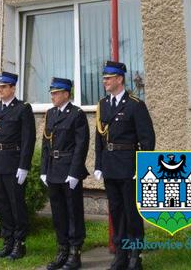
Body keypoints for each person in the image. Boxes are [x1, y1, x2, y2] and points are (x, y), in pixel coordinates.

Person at [94, 61, 155, 270]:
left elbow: (147, 139)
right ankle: (121, 254)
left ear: (119, 79)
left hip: (129, 166)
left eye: (108, 78)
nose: (105, 82)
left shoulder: (135, 105)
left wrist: (143, 167)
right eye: (104, 78)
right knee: (116, 210)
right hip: (110, 165)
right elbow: (99, 138)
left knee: (131, 212)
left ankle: (135, 255)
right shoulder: (103, 105)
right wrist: (98, 164)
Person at [41, 77, 90, 270]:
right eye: (51, 93)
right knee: (58, 212)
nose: (52, 96)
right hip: (53, 170)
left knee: (73, 212)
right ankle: (62, 250)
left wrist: (75, 172)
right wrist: (43, 170)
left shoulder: (76, 114)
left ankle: (75, 252)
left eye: (56, 93)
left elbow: (81, 145)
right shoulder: (50, 114)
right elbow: (46, 144)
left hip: (69, 169)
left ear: (66, 94)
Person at [0, 71, 36, 260]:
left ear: (12, 88)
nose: (0, 90)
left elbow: (28, 140)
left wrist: (24, 166)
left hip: (14, 164)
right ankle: (7, 241)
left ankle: (19, 243)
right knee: (3, 205)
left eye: (3, 87)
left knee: (17, 205)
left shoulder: (23, 108)